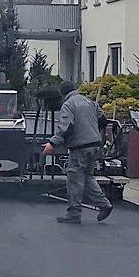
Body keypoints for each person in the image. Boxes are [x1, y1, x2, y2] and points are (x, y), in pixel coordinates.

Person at [43, 81, 114, 224]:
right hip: (95, 144)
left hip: (80, 147)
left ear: (62, 93)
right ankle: (104, 204)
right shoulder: (90, 102)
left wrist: (52, 143)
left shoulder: (68, 104)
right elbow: (103, 120)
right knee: (87, 177)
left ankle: (74, 213)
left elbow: (66, 126)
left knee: (74, 179)